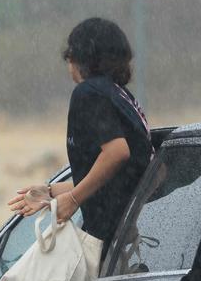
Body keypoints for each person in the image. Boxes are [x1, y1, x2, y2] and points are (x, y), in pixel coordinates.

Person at [8, 17, 152, 260]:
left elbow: (117, 153)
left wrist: (73, 199)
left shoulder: (89, 93)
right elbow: (116, 177)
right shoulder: (121, 97)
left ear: (81, 57)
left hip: (108, 240)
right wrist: (51, 192)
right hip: (122, 238)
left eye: (70, 55)